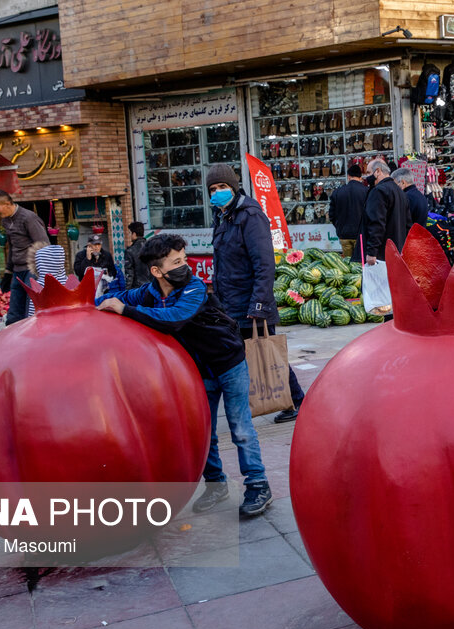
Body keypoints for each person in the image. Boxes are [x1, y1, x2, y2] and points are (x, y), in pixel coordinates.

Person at [97, 234, 272, 517]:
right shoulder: (150, 292)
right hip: (197, 370)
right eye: (176, 262)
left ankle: (258, 484)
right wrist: (95, 303)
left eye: (183, 259)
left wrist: (126, 310)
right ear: (156, 271)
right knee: (205, 432)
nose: (185, 266)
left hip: (229, 364)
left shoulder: (194, 288)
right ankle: (216, 486)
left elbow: (175, 318)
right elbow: (119, 298)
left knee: (241, 427)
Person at [206, 163, 305, 424]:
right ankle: (284, 400)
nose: (217, 192)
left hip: (250, 303)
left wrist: (259, 304)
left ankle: (296, 400)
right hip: (230, 302)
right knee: (246, 355)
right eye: (212, 189)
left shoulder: (249, 215)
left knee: (266, 353)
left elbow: (264, 263)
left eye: (222, 187)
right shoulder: (223, 216)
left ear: (234, 187)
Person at [0, 190, 49, 325]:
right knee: (14, 314)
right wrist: (8, 272)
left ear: (7, 204)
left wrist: (40, 272)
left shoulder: (29, 218)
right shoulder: (5, 221)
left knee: (30, 311)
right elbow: (12, 246)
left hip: (31, 270)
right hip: (17, 271)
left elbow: (44, 245)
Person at [361, 158, 410, 264]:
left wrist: (372, 252)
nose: (367, 176)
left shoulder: (378, 191)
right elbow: (408, 224)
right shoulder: (400, 192)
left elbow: (377, 223)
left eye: (369, 172)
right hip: (397, 251)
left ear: (378, 171)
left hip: (382, 254)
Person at [328, 164, 368, 258]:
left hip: (344, 235)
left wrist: (339, 226)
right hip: (361, 236)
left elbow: (331, 215)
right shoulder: (367, 191)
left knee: (347, 265)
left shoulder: (338, 192)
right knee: (359, 264)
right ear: (360, 177)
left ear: (348, 176)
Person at [26, 242, 68, 317]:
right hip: (68, 323)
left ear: (39, 264)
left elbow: (33, 314)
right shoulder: (68, 282)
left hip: (45, 325)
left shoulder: (39, 286)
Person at [123, 222, 153, 288]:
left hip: (138, 289)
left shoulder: (130, 251)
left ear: (134, 234)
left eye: (130, 233)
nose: (129, 235)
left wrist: (127, 290)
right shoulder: (151, 247)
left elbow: (129, 274)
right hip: (152, 287)